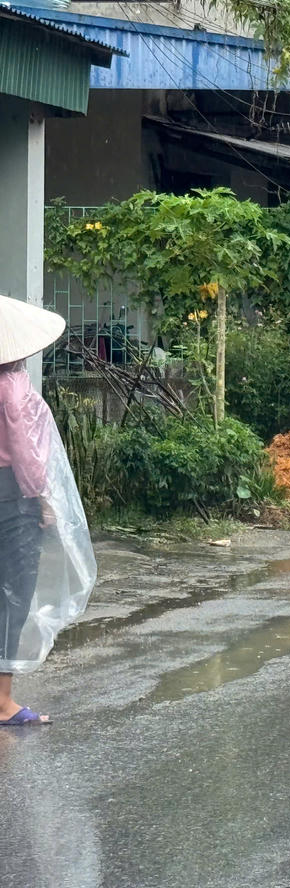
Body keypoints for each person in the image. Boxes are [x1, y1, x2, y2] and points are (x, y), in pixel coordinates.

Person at [0, 294, 97, 727]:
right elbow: (25, 453)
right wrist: (41, 498)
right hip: (11, 497)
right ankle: (2, 702)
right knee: (13, 596)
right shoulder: (12, 387)